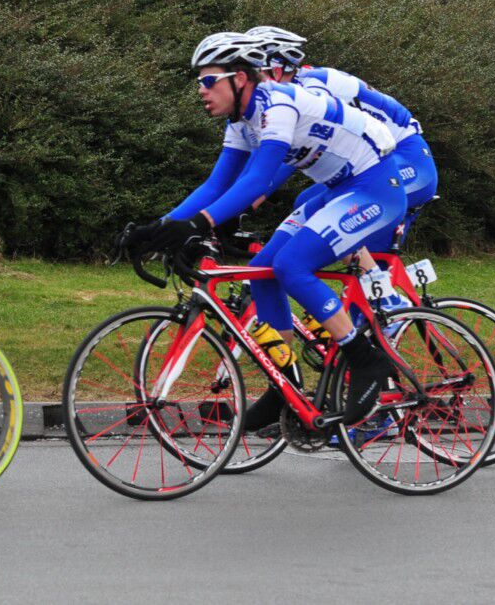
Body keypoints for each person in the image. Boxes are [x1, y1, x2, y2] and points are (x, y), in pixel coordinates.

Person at [139, 32, 407, 430]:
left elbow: (258, 180)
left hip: (375, 186)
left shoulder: (277, 104)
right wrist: (156, 228)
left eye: (208, 80)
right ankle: (285, 386)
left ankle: (366, 361)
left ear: (239, 79)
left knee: (291, 265)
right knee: (262, 272)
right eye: (199, 81)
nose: (201, 90)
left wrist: (198, 223)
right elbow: (216, 185)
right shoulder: (240, 121)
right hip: (338, 189)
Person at [246, 26, 438, 297]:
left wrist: (257, 194)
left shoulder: (312, 86)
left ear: (276, 66)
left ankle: (385, 297)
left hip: (409, 159)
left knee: (320, 207)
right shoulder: (288, 91)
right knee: (306, 202)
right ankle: (374, 295)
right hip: (382, 161)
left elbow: (294, 152)